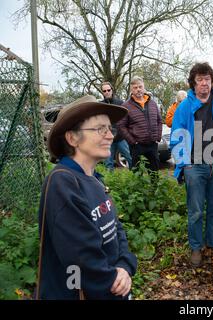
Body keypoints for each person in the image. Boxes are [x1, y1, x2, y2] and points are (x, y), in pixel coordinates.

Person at [36, 95, 137, 300]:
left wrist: (124, 266)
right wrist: (118, 289)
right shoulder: (62, 184)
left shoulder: (94, 179)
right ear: (72, 138)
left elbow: (116, 228)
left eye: (110, 129)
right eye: (100, 129)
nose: (110, 136)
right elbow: (83, 262)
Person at [170, 62, 213, 267]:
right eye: (200, 80)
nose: (204, 83)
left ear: (211, 81)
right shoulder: (185, 106)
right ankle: (196, 247)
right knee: (196, 210)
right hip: (195, 166)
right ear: (193, 83)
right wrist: (185, 163)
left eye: (207, 79)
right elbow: (176, 136)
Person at [117, 76, 162, 171]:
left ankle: (154, 186)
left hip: (152, 144)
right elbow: (121, 126)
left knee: (154, 172)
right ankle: (138, 186)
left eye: (140, 87)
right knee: (137, 172)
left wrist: (158, 136)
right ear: (131, 90)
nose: (138, 90)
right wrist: (133, 141)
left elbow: (159, 121)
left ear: (144, 88)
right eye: (135, 88)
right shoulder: (126, 106)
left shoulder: (153, 103)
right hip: (137, 146)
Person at [100, 81, 132, 170]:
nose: (107, 92)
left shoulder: (120, 103)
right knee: (108, 163)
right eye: (104, 91)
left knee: (130, 157)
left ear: (112, 90)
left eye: (108, 90)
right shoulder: (100, 105)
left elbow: (127, 118)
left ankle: (136, 178)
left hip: (120, 138)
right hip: (107, 139)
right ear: (102, 92)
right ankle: (110, 183)